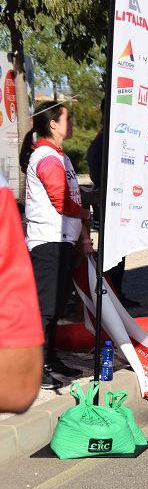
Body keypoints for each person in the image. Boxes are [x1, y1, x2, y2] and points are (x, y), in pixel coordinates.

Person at [20, 101, 91, 390]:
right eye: (67, 118)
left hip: (61, 240)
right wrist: (86, 212)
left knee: (56, 307)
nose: (71, 123)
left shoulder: (58, 155)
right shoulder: (47, 157)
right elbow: (62, 201)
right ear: (52, 124)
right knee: (44, 309)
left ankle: (50, 361)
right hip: (48, 241)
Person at [0, 172, 44, 413]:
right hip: (47, 238)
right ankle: (51, 362)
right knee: (49, 308)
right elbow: (17, 389)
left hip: (56, 237)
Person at [85, 127, 135, 307]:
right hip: (110, 203)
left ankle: (116, 293)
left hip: (113, 201)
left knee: (117, 251)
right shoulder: (106, 137)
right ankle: (111, 295)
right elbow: (97, 172)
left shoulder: (105, 136)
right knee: (112, 251)